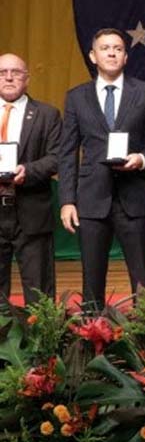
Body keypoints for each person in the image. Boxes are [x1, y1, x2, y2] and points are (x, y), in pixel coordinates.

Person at [59, 29, 145, 308]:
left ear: (125, 57)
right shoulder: (76, 97)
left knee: (143, 281)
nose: (111, 53)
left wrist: (142, 158)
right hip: (91, 199)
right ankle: (91, 331)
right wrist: (67, 201)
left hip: (133, 198)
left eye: (118, 48)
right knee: (92, 280)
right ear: (92, 56)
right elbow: (67, 152)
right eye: (105, 48)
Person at [0, 54, 61, 304]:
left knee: (40, 294)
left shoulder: (47, 114)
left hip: (32, 210)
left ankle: (41, 331)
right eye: (2, 73)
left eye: (16, 72)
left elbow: (57, 157)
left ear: (27, 78)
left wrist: (28, 170)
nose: (9, 77)